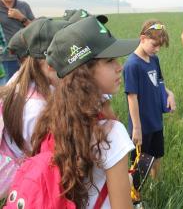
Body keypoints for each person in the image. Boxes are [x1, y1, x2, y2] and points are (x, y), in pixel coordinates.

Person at [30, 16, 139, 208]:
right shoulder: (112, 133)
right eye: (110, 60)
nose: (119, 67)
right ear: (84, 71)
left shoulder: (52, 118)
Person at [0, 18, 68, 198]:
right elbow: (52, 165)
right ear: (50, 64)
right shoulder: (38, 109)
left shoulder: (19, 79)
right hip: (30, 188)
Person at [124, 20, 176, 180]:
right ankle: (136, 194)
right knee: (140, 162)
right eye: (154, 45)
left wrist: (170, 94)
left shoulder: (154, 59)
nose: (157, 49)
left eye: (160, 46)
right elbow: (132, 97)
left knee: (157, 155)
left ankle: (156, 183)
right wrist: (137, 128)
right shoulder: (132, 65)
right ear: (142, 38)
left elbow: (159, 83)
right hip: (142, 125)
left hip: (156, 121)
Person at [0, 0, 35, 82]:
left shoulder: (23, 6)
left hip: (26, 56)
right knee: (7, 90)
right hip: (5, 58)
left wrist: (21, 18)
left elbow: (36, 28)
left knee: (27, 88)